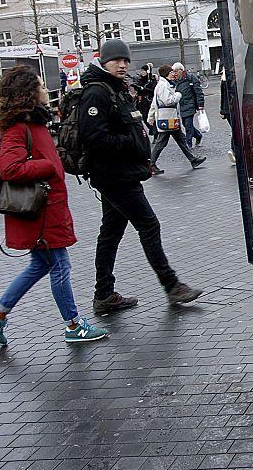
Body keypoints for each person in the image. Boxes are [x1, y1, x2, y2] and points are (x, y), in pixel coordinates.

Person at [0, 66, 108, 345]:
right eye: (39, 86)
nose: (45, 90)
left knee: (40, 265)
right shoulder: (18, 128)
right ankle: (73, 325)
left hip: (48, 210)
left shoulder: (32, 123)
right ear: (27, 94)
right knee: (59, 266)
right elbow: (10, 168)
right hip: (41, 213)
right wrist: (48, 165)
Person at [77, 39, 202, 315]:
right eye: (116, 60)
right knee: (148, 225)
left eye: (125, 60)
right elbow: (94, 137)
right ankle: (171, 285)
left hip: (121, 174)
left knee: (110, 233)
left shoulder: (115, 88)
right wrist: (131, 144)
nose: (122, 65)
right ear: (103, 61)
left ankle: (104, 294)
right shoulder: (97, 93)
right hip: (114, 176)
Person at [148, 64, 206, 174]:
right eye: (171, 72)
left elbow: (154, 103)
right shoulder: (163, 86)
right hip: (168, 118)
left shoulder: (164, 84)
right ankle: (151, 164)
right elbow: (167, 101)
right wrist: (178, 95)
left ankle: (193, 160)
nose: (173, 74)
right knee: (162, 142)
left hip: (170, 118)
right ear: (166, 74)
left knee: (181, 139)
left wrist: (150, 116)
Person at [171, 62, 205, 149]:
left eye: (176, 71)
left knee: (188, 125)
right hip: (181, 106)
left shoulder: (190, 78)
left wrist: (200, 104)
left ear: (181, 70)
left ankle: (188, 144)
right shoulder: (175, 81)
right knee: (185, 124)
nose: (174, 73)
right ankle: (198, 135)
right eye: (173, 71)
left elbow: (198, 92)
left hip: (190, 104)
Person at [219, 69, 236, 165]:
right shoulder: (233, 79)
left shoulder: (223, 79)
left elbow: (222, 96)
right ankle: (234, 151)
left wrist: (222, 110)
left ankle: (235, 151)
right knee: (236, 130)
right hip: (233, 108)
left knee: (235, 130)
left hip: (227, 109)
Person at [135, 64, 157, 135]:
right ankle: (154, 131)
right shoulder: (140, 80)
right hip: (142, 103)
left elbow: (153, 90)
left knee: (151, 118)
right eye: (141, 71)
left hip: (150, 102)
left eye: (143, 71)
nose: (142, 72)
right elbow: (138, 90)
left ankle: (155, 133)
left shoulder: (152, 80)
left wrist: (143, 89)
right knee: (145, 119)